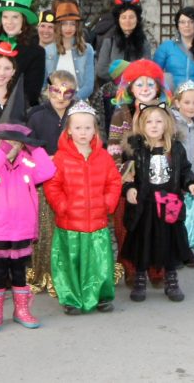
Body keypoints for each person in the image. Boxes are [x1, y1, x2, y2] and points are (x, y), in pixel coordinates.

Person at [0, 122, 56, 331]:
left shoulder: (27, 164)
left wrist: (34, 148)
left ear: (22, 146)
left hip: (23, 228)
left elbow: (48, 171)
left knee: (19, 271)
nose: (9, 146)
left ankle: (21, 310)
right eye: (3, 142)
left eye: (14, 142)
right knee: (0, 272)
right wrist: (2, 151)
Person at [45, 101, 122, 314]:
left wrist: (108, 203)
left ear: (95, 130)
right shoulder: (60, 158)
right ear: (69, 130)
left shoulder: (104, 157)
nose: (83, 132)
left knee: (100, 261)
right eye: (78, 128)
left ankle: (102, 296)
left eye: (88, 128)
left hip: (97, 221)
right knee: (70, 263)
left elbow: (114, 182)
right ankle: (71, 298)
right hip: (70, 222)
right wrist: (62, 205)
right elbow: (52, 185)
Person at [121, 105, 194, 302]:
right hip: (144, 205)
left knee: (169, 241)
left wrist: (190, 182)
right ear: (141, 125)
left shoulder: (175, 149)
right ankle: (140, 277)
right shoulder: (135, 149)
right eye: (149, 121)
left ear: (167, 124)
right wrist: (129, 188)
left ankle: (171, 278)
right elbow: (126, 174)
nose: (154, 126)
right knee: (143, 240)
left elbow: (184, 170)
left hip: (169, 203)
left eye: (159, 121)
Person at [107, 59, 172, 286]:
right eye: (139, 84)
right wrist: (124, 175)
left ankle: (157, 268)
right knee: (128, 225)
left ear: (158, 88)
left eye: (150, 84)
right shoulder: (121, 114)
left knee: (157, 225)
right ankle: (132, 268)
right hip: (129, 180)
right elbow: (114, 147)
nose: (145, 89)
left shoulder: (164, 112)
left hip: (156, 179)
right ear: (130, 88)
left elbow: (170, 143)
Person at [24, 70, 78, 296]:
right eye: (56, 91)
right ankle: (43, 270)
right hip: (43, 180)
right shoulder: (36, 115)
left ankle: (67, 269)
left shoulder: (78, 114)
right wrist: (45, 159)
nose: (61, 97)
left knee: (68, 224)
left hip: (72, 180)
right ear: (48, 90)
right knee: (44, 227)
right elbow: (28, 147)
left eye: (67, 93)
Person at [95, 0, 154, 129]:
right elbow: (101, 70)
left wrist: (124, 70)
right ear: (118, 19)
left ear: (137, 19)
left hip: (138, 95)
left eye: (131, 17)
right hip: (113, 94)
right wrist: (130, 70)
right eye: (124, 17)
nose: (128, 21)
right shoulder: (109, 40)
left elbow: (148, 69)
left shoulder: (143, 42)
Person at [0, 0, 46, 107]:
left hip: (19, 113)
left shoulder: (36, 52)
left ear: (23, 20)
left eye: (15, 17)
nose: (9, 22)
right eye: (5, 17)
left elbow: (31, 93)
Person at [171, 80, 194, 266]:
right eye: (186, 102)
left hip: (191, 180)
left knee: (191, 217)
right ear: (177, 103)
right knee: (173, 218)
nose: (191, 107)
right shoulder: (172, 125)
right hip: (174, 180)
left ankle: (188, 250)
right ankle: (174, 253)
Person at [44, 0, 95, 101]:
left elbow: (89, 85)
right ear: (58, 26)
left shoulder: (86, 49)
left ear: (77, 26)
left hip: (78, 102)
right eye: (64, 24)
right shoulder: (48, 50)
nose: (68, 28)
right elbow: (44, 84)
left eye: (72, 24)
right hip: (54, 102)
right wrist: (55, 99)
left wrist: (71, 100)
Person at [153, 6, 194, 88]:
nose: (186, 25)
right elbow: (154, 73)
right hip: (173, 97)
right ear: (177, 25)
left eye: (191, 22)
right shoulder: (167, 46)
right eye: (182, 22)